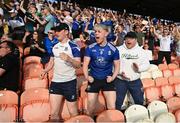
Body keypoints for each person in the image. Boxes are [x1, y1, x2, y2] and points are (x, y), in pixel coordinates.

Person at [40, 23, 81, 121]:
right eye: (55, 31)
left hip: (69, 82)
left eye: (59, 31)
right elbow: (51, 62)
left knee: (73, 113)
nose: (56, 33)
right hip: (56, 83)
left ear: (66, 32)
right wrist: (45, 70)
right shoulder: (54, 46)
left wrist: (69, 59)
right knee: (54, 114)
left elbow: (78, 65)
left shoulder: (74, 46)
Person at [83, 24, 120, 117]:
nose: (96, 34)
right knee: (90, 109)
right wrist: (87, 77)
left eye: (99, 32)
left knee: (112, 107)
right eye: (95, 32)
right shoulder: (90, 48)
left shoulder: (113, 49)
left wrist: (112, 78)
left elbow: (117, 66)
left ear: (106, 33)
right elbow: (85, 65)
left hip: (107, 80)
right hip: (94, 79)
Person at [116, 32, 150, 111]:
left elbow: (147, 64)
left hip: (135, 82)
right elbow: (112, 64)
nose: (128, 40)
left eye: (131, 39)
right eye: (127, 38)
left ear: (135, 40)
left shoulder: (141, 51)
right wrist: (119, 72)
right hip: (120, 80)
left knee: (139, 101)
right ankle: (116, 118)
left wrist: (139, 69)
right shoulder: (118, 49)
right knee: (117, 102)